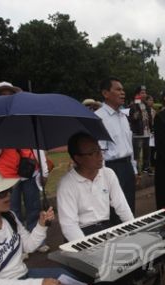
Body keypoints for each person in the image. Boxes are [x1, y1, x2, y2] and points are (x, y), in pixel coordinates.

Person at [0, 82, 50, 252]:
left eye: (10, 94)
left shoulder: (25, 116)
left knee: (33, 208)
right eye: (2, 95)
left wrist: (44, 170)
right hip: (7, 175)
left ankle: (36, 239)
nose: (7, 98)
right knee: (11, 211)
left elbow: (37, 145)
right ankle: (16, 245)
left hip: (30, 171)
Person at [57, 133, 134, 241]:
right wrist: (86, 247)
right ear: (78, 158)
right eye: (93, 152)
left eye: (100, 150)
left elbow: (122, 206)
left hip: (106, 228)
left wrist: (134, 228)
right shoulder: (66, 184)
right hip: (80, 233)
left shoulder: (108, 174)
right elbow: (69, 226)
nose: (100, 155)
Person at [95, 77, 138, 214]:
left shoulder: (123, 117)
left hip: (127, 168)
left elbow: (129, 145)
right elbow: (99, 151)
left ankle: (129, 234)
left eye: (123, 90)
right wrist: (101, 177)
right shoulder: (99, 118)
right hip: (111, 168)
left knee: (129, 207)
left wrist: (134, 169)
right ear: (105, 93)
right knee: (114, 210)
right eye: (118, 89)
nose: (123, 93)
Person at [129, 86, 151, 175]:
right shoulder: (133, 105)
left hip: (147, 133)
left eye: (145, 92)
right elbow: (132, 119)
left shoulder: (146, 105)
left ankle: (146, 168)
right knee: (136, 154)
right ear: (137, 94)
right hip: (138, 133)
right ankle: (136, 170)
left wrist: (151, 128)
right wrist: (136, 110)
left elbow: (149, 119)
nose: (144, 94)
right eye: (142, 92)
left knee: (147, 153)